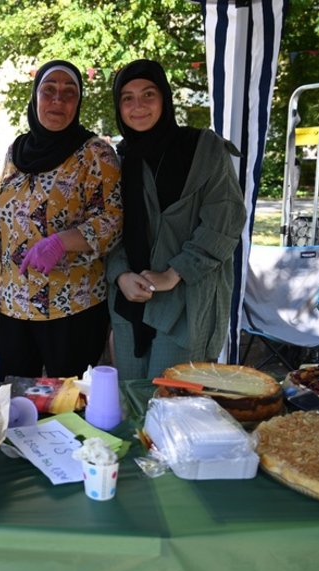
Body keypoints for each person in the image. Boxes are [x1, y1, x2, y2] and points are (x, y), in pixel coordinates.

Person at [106, 59, 246, 381]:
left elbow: (224, 220)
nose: (138, 106)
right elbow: (108, 226)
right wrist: (120, 275)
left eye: (148, 94)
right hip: (131, 299)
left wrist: (173, 273)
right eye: (127, 98)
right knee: (134, 401)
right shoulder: (118, 159)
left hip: (187, 301)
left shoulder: (203, 148)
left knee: (173, 407)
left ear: (165, 98)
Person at [0, 59, 123, 380]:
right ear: (35, 96)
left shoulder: (96, 153)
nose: (57, 101)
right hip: (12, 306)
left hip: (72, 309)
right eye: (48, 91)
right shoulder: (15, 150)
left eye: (69, 94)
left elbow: (114, 221)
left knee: (69, 407)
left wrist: (61, 242)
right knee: (14, 405)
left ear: (78, 103)